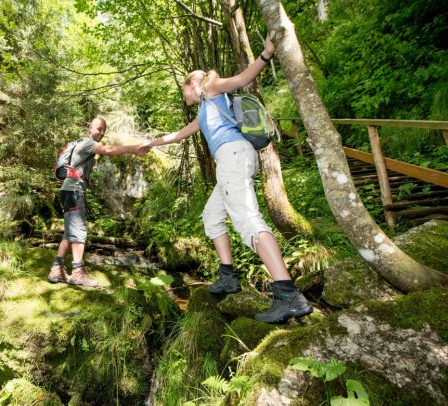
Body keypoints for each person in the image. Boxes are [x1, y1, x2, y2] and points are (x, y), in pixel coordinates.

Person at [137, 36, 313, 324]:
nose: (183, 97)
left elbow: (244, 77)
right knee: (212, 216)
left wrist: (266, 54)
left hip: (233, 158)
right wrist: (151, 143)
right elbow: (180, 133)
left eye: (183, 91)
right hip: (232, 162)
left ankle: (287, 294)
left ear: (192, 84)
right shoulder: (206, 109)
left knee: (248, 221)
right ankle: (228, 276)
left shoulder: (212, 87)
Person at [48, 117, 145, 287]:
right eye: (98, 128)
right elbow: (107, 150)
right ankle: (78, 272)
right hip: (73, 190)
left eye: (104, 130)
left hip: (69, 189)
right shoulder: (86, 143)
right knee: (79, 230)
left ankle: (57, 269)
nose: (101, 132)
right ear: (89, 128)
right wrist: (132, 148)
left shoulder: (82, 144)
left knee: (70, 231)